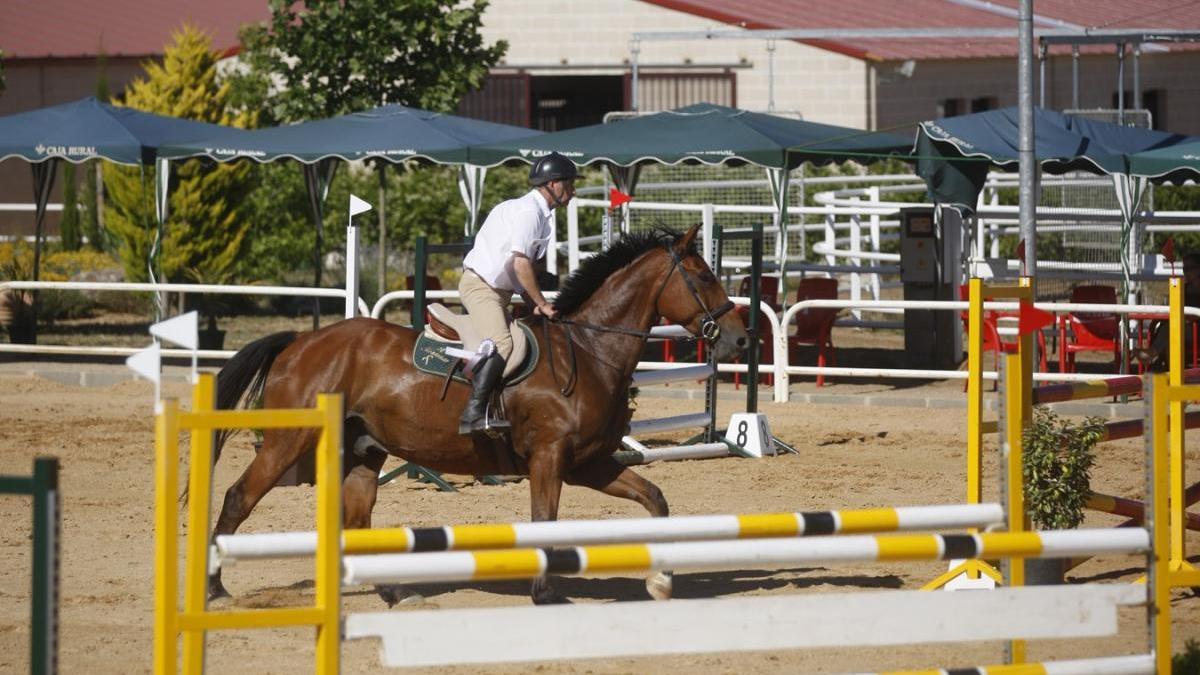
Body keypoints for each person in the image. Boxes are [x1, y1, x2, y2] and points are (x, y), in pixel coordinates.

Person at [456, 151, 576, 435]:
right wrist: (541, 303)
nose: (572, 191)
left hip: (499, 292)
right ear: (553, 185)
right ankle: (472, 413)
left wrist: (528, 300)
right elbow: (520, 263)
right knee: (502, 343)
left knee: (523, 342)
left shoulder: (539, 214)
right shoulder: (528, 212)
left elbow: (518, 269)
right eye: (569, 185)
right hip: (481, 287)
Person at [1135, 252, 1200, 372]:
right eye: (1184, 268)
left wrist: (1187, 318)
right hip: (1182, 328)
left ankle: (1152, 354)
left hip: (1196, 330)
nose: (1186, 271)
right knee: (1170, 330)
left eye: (1190, 268)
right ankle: (1171, 373)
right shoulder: (1182, 288)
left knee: (1172, 328)